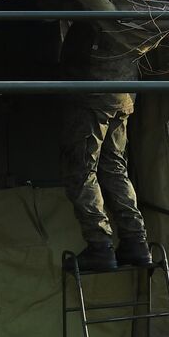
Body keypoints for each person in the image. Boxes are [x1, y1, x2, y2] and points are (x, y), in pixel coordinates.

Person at [60, 26, 152, 272]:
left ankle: (99, 244)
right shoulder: (135, 4)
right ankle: (136, 241)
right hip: (122, 87)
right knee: (113, 166)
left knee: (82, 167)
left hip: (94, 86)